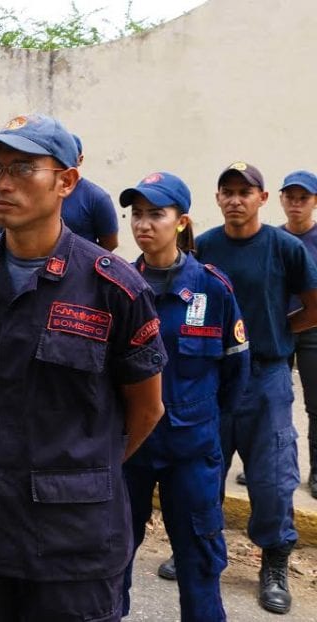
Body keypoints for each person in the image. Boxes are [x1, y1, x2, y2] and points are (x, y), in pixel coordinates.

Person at [0, 114, 166, 621]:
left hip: (74, 545)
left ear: (66, 181)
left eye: (23, 168)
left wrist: (82, 470)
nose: (2, 182)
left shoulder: (114, 287)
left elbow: (147, 409)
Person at [119, 171, 249, 621]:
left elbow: (235, 373)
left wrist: (203, 424)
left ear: (181, 222)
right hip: (128, 450)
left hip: (191, 455)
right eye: (137, 214)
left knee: (199, 564)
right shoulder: (116, 285)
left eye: (156, 214)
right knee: (109, 560)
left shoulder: (213, 288)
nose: (143, 224)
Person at [194, 162, 317, 614]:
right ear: (218, 198)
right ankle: (200, 553)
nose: (234, 199)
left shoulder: (284, 248)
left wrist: (277, 334)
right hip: (215, 375)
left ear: (262, 199)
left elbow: (313, 305)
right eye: (226, 191)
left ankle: (274, 562)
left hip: (266, 376)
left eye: (244, 192)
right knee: (205, 468)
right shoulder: (203, 246)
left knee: (271, 478)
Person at [278, 170, 317, 500]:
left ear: (314, 202)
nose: (296, 204)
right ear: (280, 200)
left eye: (303, 198)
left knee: (315, 404)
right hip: (279, 330)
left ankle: (316, 471)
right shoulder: (274, 240)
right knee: (274, 400)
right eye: (290, 197)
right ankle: (267, 463)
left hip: (314, 332)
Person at [61, 135, 119, 250]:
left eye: (69, 154)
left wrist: (86, 262)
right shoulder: (44, 191)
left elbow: (110, 243)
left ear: (80, 159)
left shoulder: (97, 197)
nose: (63, 159)